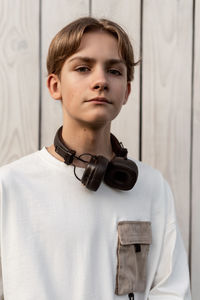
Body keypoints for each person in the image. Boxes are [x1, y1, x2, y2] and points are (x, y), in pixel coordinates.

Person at [0, 17, 191, 300]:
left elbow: (172, 291)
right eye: (83, 68)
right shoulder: (9, 186)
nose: (100, 81)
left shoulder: (152, 187)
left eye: (114, 71)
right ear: (55, 86)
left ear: (126, 90)